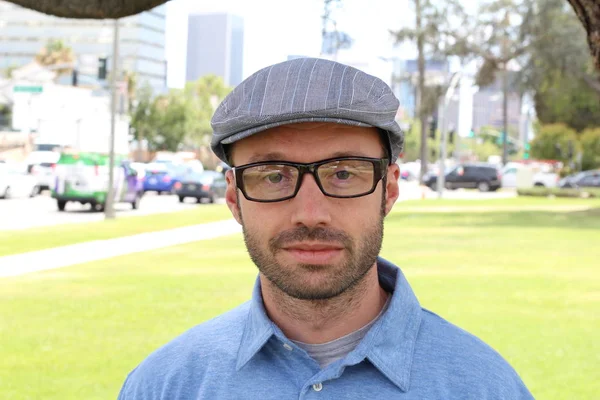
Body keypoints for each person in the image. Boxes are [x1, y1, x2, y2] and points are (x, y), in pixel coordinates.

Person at [118, 58, 533, 399]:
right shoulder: (166, 386)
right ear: (233, 197)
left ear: (388, 189)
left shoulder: (486, 388)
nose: (310, 213)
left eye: (343, 173)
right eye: (273, 176)